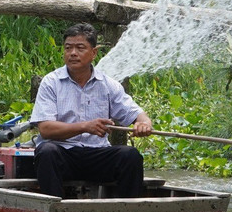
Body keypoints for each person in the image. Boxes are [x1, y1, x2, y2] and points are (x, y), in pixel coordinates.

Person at [30, 22, 153, 198]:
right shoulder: (51, 82)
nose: (72, 53)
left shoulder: (108, 85)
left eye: (80, 48)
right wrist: (85, 126)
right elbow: (46, 129)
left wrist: (144, 124)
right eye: (68, 48)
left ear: (93, 53)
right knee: (47, 152)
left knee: (130, 156)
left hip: (97, 157)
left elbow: (137, 114)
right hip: (64, 155)